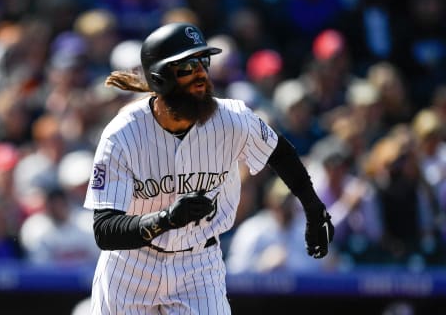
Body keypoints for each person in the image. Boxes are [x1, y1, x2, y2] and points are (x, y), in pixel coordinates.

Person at [84, 22, 334, 314]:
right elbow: (104, 230)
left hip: (198, 266)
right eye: (188, 66)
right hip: (131, 267)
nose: (201, 74)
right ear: (159, 79)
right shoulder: (122, 134)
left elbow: (280, 154)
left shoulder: (232, 118)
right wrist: (165, 219)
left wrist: (314, 209)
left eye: (203, 61)